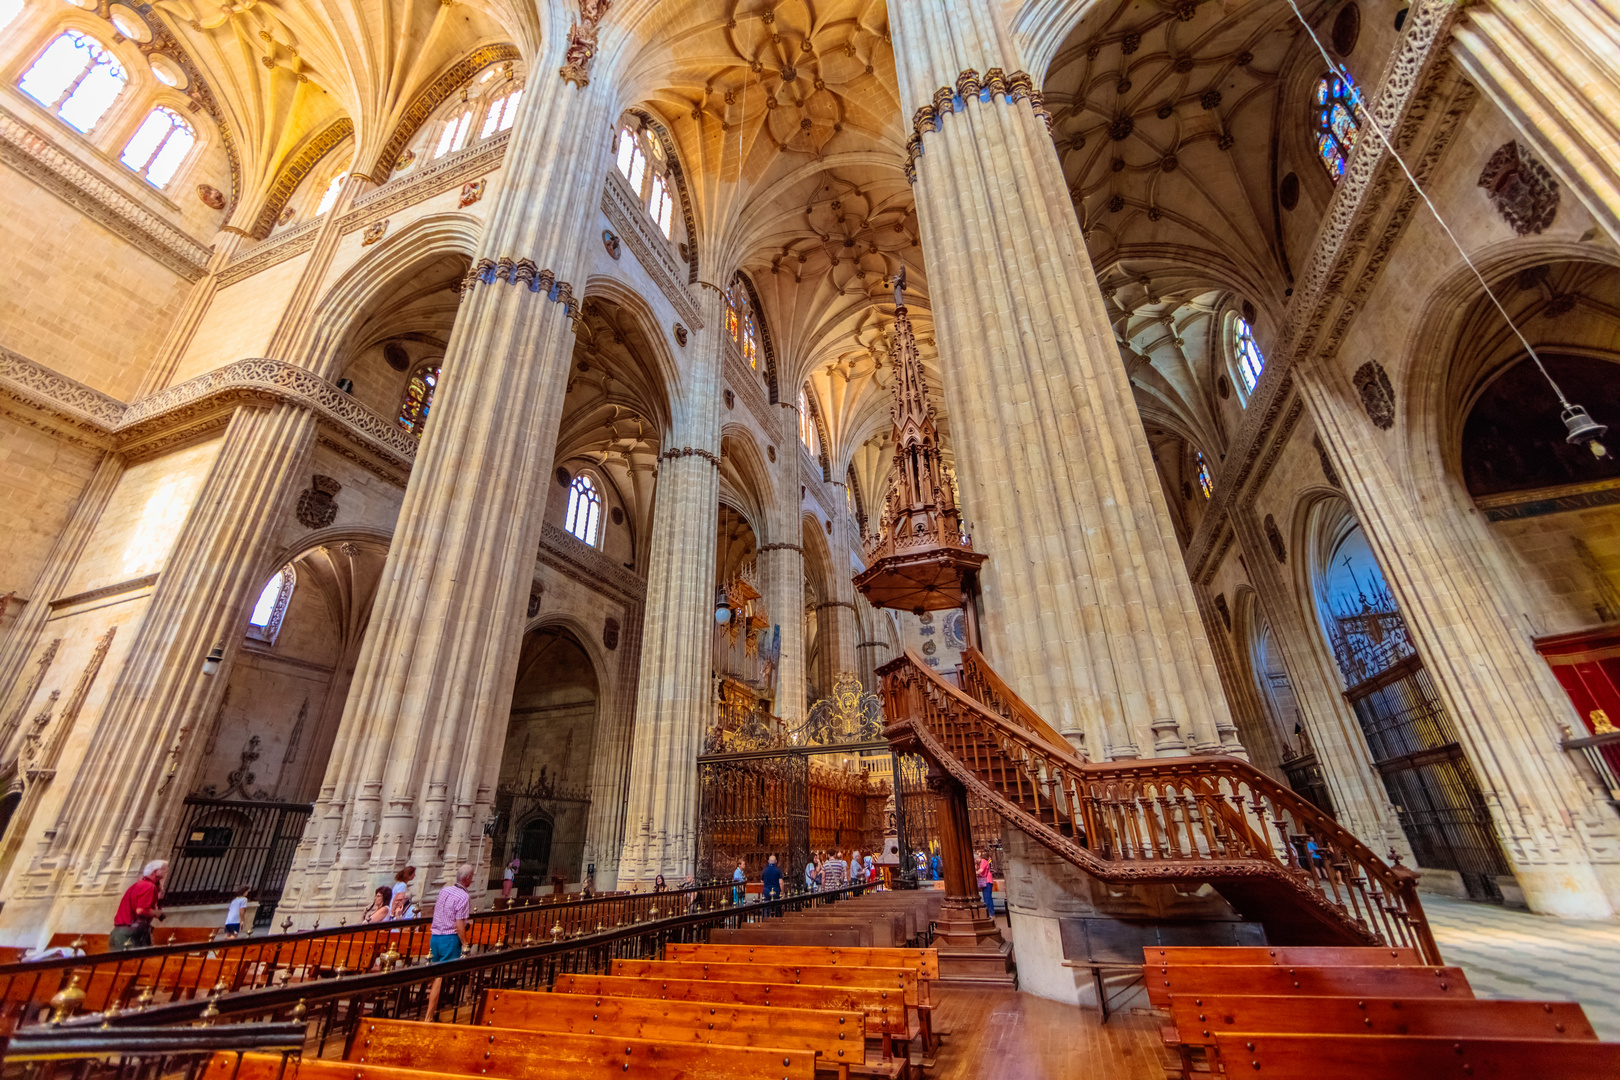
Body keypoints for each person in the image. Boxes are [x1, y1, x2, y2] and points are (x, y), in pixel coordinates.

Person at [111, 860, 166, 949]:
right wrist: (157, 913)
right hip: (129, 934)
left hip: (120, 932)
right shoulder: (148, 886)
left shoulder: (139, 885)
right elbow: (141, 910)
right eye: (163, 869)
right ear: (155, 871)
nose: (166, 871)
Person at [430, 863, 474, 962]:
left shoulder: (444, 891)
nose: (472, 880)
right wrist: (465, 943)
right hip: (449, 938)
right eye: (471, 877)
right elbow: (459, 923)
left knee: (435, 971)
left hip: (435, 936)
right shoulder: (463, 896)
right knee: (445, 973)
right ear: (467, 878)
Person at [975, 850, 995, 918]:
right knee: (986, 897)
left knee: (987, 898)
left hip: (987, 881)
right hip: (985, 882)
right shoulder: (980, 862)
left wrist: (973, 872)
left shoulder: (983, 861)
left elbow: (981, 870)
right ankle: (989, 913)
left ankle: (990, 913)